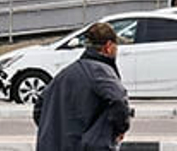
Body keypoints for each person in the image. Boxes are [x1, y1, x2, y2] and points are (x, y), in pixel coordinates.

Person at [33, 21, 130, 151]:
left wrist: (55, 133)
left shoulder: (65, 74)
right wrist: (119, 130)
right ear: (108, 46)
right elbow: (119, 100)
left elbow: (39, 108)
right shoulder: (100, 71)